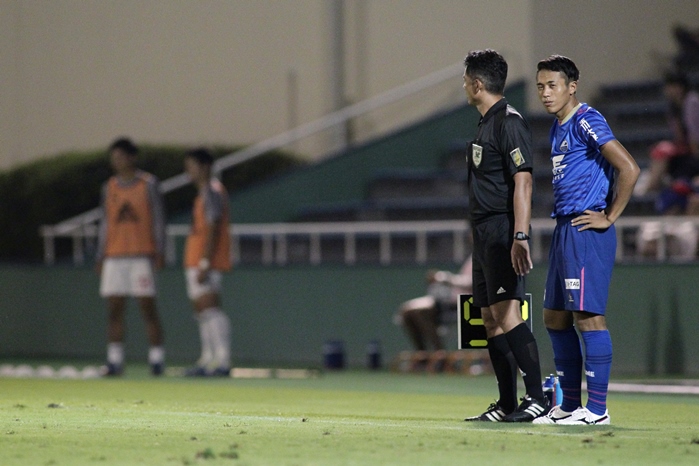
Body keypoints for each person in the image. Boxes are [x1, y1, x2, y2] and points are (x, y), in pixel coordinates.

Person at [533, 55, 640, 425]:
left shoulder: (586, 120)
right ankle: (569, 406)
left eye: (552, 85)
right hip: (564, 227)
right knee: (554, 316)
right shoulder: (557, 126)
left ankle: (597, 411)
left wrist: (609, 216)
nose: (545, 93)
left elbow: (629, 167)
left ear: (572, 87)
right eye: (540, 86)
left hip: (586, 229)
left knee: (588, 318)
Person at [461, 49, 548, 423]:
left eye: (466, 80)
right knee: (489, 318)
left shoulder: (509, 122)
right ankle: (507, 403)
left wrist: (520, 235)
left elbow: (523, 182)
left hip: (502, 229)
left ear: (477, 85)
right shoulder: (485, 123)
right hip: (483, 233)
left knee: (508, 314)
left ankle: (538, 399)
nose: (464, 86)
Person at [96, 137, 166, 376]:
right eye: (113, 158)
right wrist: (101, 254)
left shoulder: (148, 184)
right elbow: (106, 222)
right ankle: (115, 361)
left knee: (147, 308)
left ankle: (157, 359)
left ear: (131, 157)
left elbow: (158, 219)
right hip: (115, 255)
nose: (116, 162)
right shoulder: (109, 187)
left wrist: (159, 250)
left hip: (141, 254)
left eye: (120, 157)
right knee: (114, 309)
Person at [183, 148, 232, 376]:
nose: (188, 171)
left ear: (205, 167)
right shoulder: (204, 192)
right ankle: (208, 358)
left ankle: (222, 360)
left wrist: (205, 262)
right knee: (202, 312)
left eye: (191, 166)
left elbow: (213, 227)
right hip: (195, 259)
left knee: (210, 308)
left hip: (206, 261)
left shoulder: (212, 191)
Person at [397, 254, 473, 352]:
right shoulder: (473, 256)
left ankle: (439, 352)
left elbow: (472, 282)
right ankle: (422, 353)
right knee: (407, 312)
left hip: (462, 304)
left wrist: (443, 277)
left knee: (421, 312)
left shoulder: (483, 254)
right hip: (447, 299)